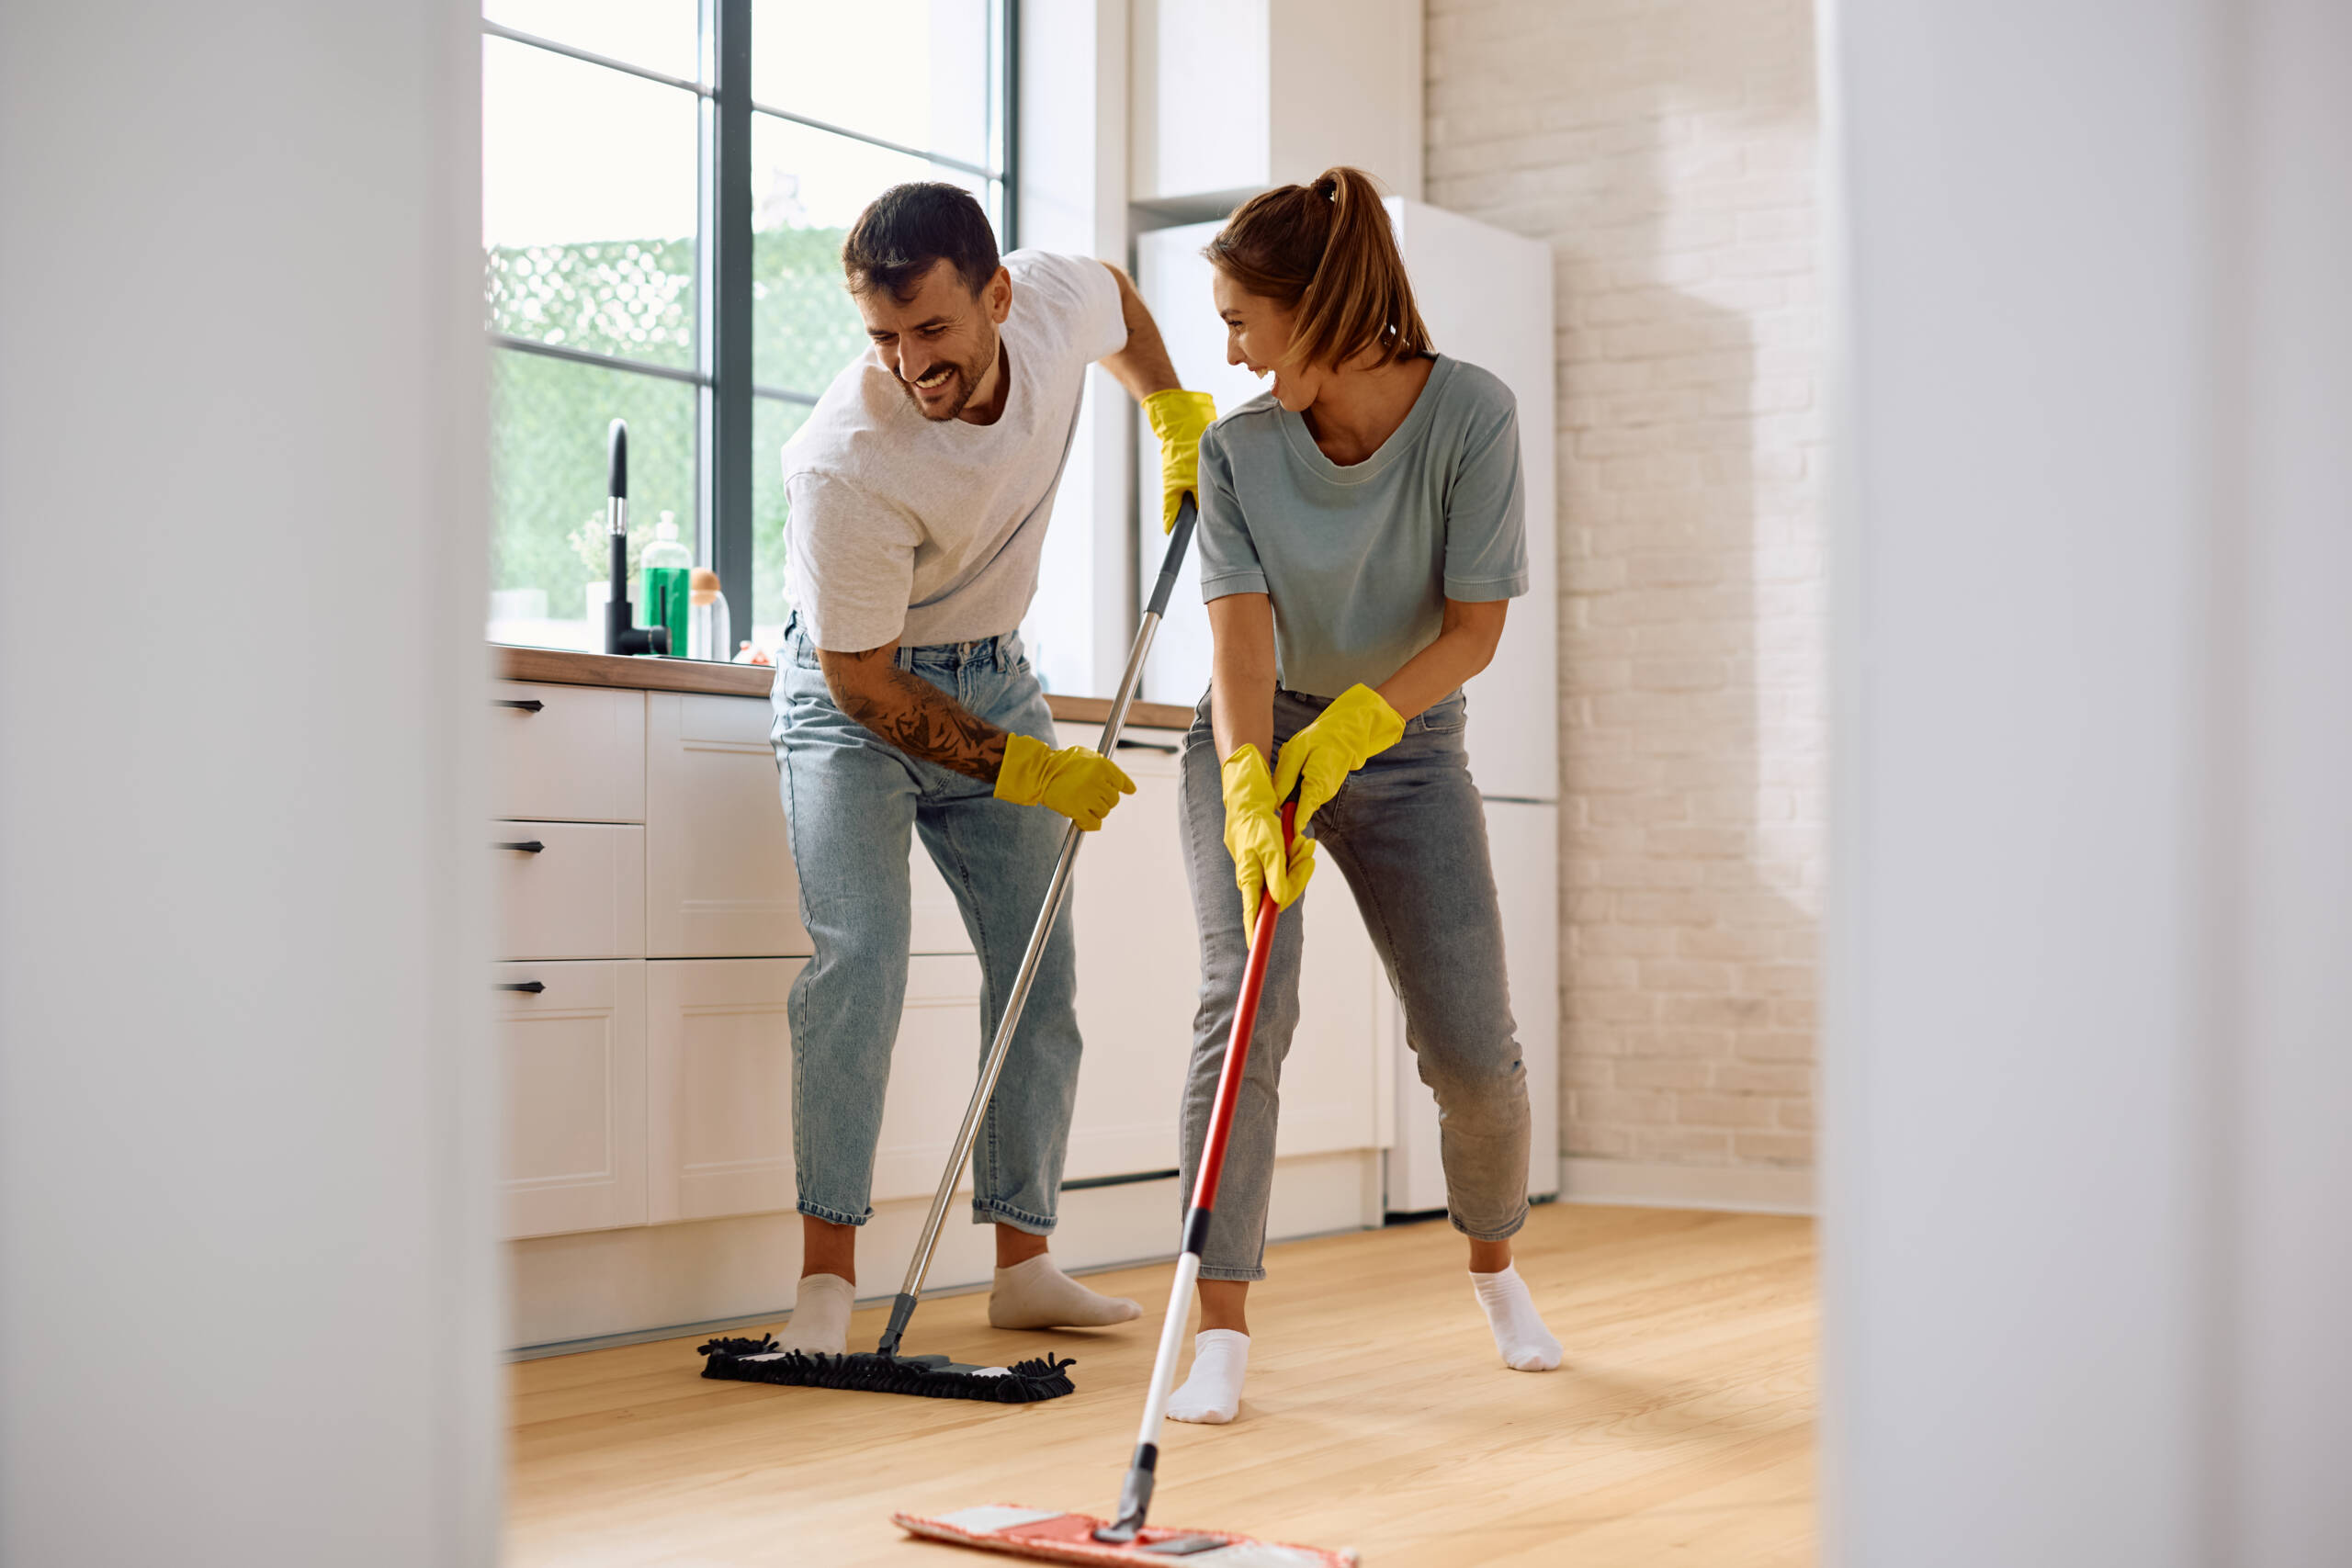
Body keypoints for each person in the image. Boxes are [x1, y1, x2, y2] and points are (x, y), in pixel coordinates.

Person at [768, 183, 1218, 1353]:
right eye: (882, 336)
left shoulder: (1055, 304)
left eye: (932, 330)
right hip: (850, 696)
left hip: (994, 668)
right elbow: (865, 683)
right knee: (858, 961)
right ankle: (826, 1282)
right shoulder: (844, 463)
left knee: (1037, 969)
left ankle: (1024, 1262)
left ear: (998, 297)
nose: (911, 362)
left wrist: (1173, 416)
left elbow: (1118, 298)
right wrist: (1025, 769)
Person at [1163, 167, 1561, 1424]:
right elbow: (1237, 640)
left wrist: (1356, 728)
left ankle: (1494, 1263)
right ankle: (1218, 1327)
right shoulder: (1238, 453)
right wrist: (1246, 777)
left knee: (1475, 1056)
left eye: (1238, 319)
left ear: (1315, 304)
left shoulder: (1472, 418)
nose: (1226, 351)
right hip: (1259, 737)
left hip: (1405, 747)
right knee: (1247, 1013)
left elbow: (1474, 630)